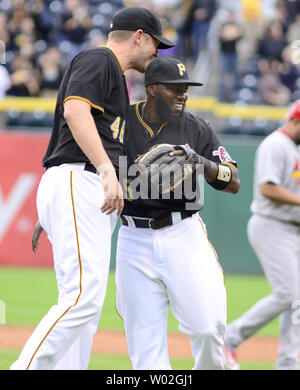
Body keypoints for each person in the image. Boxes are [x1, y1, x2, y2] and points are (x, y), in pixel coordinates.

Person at [11, 6, 174, 370]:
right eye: (155, 44)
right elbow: (75, 111)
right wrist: (102, 170)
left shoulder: (114, 72)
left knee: (87, 305)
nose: (157, 53)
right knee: (82, 297)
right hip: (79, 179)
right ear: (139, 36)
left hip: (79, 188)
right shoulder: (100, 58)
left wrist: (61, 207)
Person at [115, 56, 240, 369]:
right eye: (175, 88)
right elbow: (91, 172)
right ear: (153, 89)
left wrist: (202, 162)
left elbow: (233, 181)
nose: (183, 93)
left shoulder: (196, 128)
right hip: (133, 238)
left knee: (209, 328)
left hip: (183, 234)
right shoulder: (120, 123)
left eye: (186, 87)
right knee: (145, 347)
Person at [224, 100, 300, 370]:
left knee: (297, 299)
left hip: (292, 229)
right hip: (272, 225)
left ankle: (289, 363)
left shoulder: (294, 148)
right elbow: (268, 188)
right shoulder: (276, 144)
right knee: (288, 293)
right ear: (296, 121)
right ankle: (231, 336)